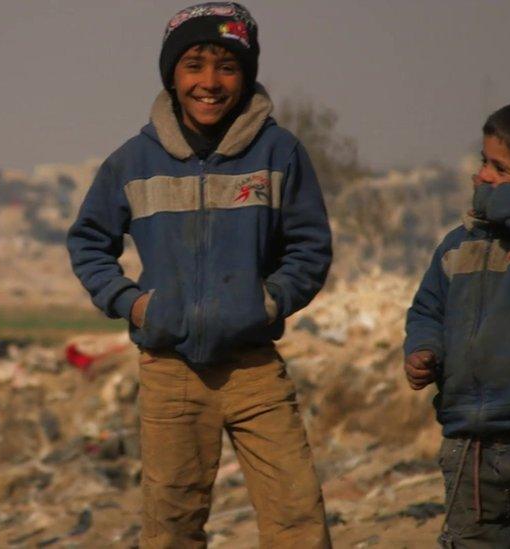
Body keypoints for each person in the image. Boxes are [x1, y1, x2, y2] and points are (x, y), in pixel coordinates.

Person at [66, 3, 333, 546]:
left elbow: (309, 247)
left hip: (254, 368)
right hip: (171, 373)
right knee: (171, 525)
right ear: (172, 74)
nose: (209, 82)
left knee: (297, 517)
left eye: (227, 66)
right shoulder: (133, 161)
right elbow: (88, 243)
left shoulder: (279, 153)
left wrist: (270, 302)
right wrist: (135, 304)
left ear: (246, 75)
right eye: (194, 65)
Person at [404, 99, 510, 547]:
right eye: (483, 163)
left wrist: (496, 201)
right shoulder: (457, 245)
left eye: (500, 169)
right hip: (466, 445)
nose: (482, 178)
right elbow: (427, 310)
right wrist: (424, 350)